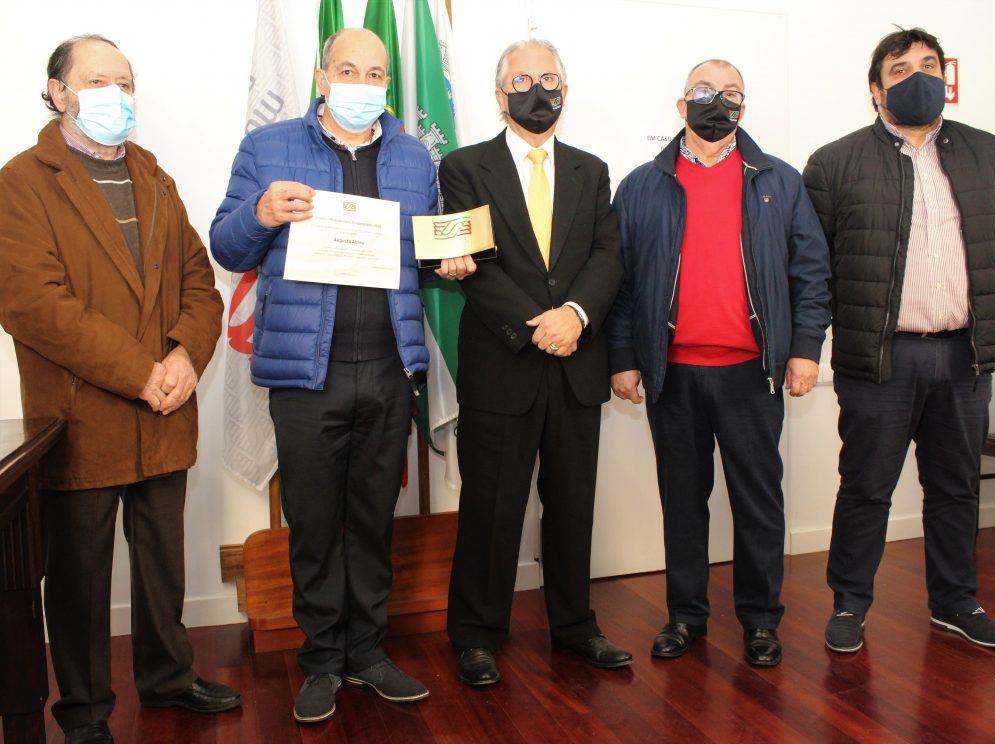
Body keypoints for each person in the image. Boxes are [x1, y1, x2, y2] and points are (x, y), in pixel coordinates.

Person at [0, 35, 236, 744]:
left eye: (126, 83)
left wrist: (186, 356)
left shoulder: (153, 175)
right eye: (99, 81)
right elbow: (34, 304)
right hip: (81, 418)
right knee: (78, 577)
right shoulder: (22, 182)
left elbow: (199, 282)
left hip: (165, 409)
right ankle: (84, 711)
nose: (118, 96)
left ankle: (168, 678)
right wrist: (142, 373)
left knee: (163, 562)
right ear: (59, 92)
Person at [210, 28, 437, 723]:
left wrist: (451, 259)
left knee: (372, 521)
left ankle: (367, 652)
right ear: (320, 76)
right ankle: (320, 661)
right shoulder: (268, 147)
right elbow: (226, 244)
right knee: (313, 524)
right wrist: (260, 213)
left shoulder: (413, 156)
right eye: (348, 70)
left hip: (389, 370)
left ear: (387, 84)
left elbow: (425, 255)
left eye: (375, 74)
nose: (362, 84)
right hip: (306, 374)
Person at [804, 27, 995, 654]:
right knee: (866, 487)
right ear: (875, 90)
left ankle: (956, 603)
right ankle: (850, 603)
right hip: (881, 357)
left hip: (964, 354)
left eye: (929, 65)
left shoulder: (988, 152)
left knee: (956, 488)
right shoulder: (834, 162)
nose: (918, 77)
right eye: (900, 70)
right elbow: (817, 263)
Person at [607, 59, 831, 668]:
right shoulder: (642, 185)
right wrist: (623, 357)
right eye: (704, 92)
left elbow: (812, 274)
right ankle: (686, 616)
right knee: (683, 501)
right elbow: (620, 282)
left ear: (743, 108)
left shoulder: (779, 181)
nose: (717, 102)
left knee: (758, 503)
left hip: (752, 374)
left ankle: (760, 621)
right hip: (671, 373)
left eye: (730, 93)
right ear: (681, 106)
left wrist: (805, 349)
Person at [436, 38, 629, 688]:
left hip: (575, 362)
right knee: (491, 510)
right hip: (503, 364)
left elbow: (607, 255)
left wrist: (574, 315)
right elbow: (471, 264)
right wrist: (538, 324)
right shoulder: (465, 167)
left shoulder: (591, 170)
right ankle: (477, 635)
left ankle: (574, 627)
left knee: (572, 505)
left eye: (549, 79)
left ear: (565, 92)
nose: (537, 91)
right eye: (522, 81)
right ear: (500, 95)